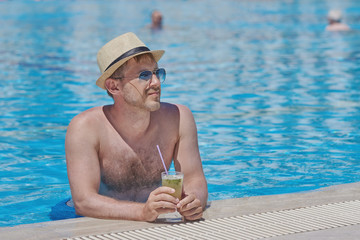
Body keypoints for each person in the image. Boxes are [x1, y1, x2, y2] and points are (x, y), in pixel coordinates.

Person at [65, 32, 208, 222]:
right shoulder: (85, 128)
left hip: (153, 213)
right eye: (144, 75)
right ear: (113, 87)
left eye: (157, 73)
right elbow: (84, 202)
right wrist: (141, 212)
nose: (156, 82)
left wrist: (194, 201)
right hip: (93, 217)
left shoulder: (179, 118)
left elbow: (194, 179)